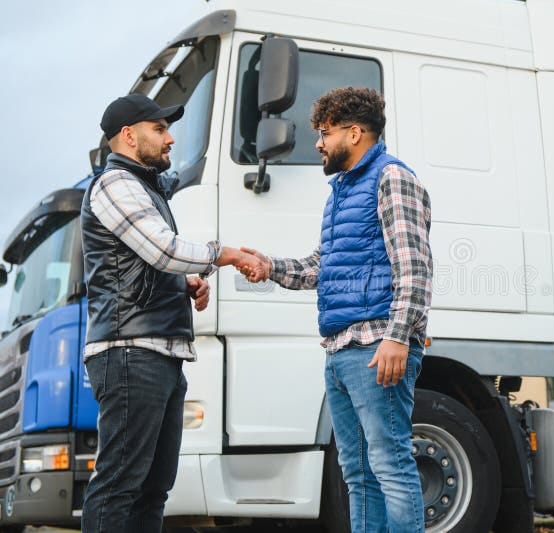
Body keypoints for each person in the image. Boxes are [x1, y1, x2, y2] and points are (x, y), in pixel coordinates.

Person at [241, 87, 433, 532]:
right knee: (359, 475)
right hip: (341, 350)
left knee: (391, 467)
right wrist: (268, 266)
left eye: (325, 134)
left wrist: (397, 337)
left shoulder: (392, 178)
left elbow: (414, 267)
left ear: (355, 132)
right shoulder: (343, 192)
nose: (319, 143)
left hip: (376, 347)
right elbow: (320, 267)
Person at [80, 93, 264, 533]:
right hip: (130, 351)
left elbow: (141, 261)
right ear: (128, 136)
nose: (170, 139)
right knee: (121, 484)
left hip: (155, 353)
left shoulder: (143, 188)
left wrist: (184, 283)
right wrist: (227, 255)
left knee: (153, 488)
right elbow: (163, 249)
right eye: (159, 129)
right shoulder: (115, 185)